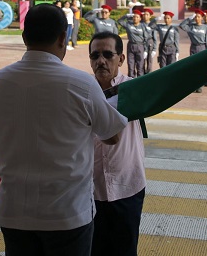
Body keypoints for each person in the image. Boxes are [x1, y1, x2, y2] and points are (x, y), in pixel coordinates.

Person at [0, 3, 127, 256]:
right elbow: (112, 136)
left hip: (14, 213)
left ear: (24, 38)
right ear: (63, 37)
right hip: (67, 215)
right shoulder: (82, 84)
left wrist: (16, 141)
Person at [88, 32, 146, 256]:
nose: (101, 61)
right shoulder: (82, 91)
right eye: (95, 56)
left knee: (125, 250)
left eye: (107, 55)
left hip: (127, 186)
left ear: (121, 59)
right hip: (90, 190)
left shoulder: (135, 90)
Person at [178, 9, 207, 93]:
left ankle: (200, 84)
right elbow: (181, 25)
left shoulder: (205, 27)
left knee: (201, 67)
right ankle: (195, 84)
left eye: (199, 17)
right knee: (194, 66)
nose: (197, 18)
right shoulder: (191, 27)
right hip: (193, 48)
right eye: (196, 17)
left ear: (202, 18)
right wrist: (189, 18)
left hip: (202, 47)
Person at [117, 9, 148, 78]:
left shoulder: (143, 26)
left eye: (137, 17)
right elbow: (120, 21)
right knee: (131, 66)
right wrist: (126, 16)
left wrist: (146, 50)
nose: (135, 18)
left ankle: (140, 81)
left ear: (140, 18)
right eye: (134, 17)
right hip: (131, 46)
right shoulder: (129, 24)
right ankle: (131, 80)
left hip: (140, 46)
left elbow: (146, 38)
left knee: (140, 67)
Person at [142, 8, 157, 74]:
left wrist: (154, 49)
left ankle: (149, 74)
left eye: (147, 15)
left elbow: (155, 38)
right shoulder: (141, 24)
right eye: (144, 14)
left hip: (149, 43)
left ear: (150, 16)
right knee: (141, 61)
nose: (145, 16)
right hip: (142, 43)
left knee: (149, 60)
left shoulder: (153, 25)